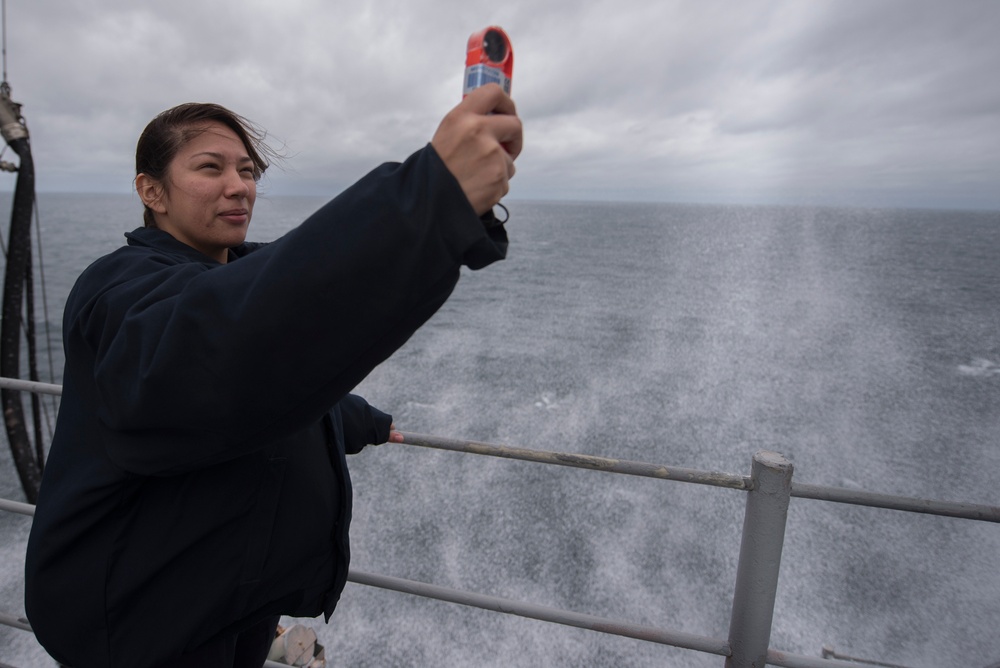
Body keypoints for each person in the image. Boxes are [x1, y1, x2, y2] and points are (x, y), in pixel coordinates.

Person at [24, 84, 522, 668]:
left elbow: (280, 341)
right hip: (142, 623)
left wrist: (356, 420)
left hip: (233, 601)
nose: (239, 185)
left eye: (248, 169)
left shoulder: (243, 269)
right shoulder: (115, 289)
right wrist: (433, 197)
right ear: (150, 190)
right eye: (210, 167)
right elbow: (222, 347)